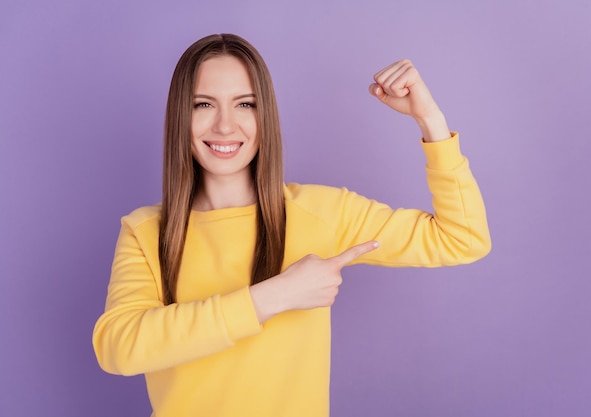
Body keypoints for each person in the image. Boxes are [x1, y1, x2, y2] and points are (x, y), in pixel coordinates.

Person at [92, 33, 490, 417]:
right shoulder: (146, 230)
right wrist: (275, 296)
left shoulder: (323, 212)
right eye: (203, 105)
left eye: (245, 104)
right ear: (182, 114)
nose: (225, 126)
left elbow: (462, 238)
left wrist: (430, 119)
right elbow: (118, 347)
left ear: (265, 114)